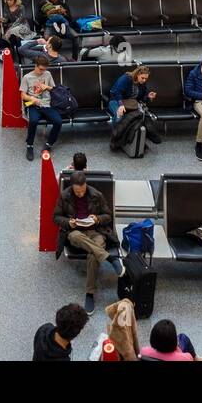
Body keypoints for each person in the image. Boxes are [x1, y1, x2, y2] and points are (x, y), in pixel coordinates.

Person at [53, 170, 124, 314]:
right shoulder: (65, 196)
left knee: (93, 254)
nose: (80, 194)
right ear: (72, 187)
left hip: (96, 231)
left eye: (82, 190)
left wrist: (97, 219)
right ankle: (110, 259)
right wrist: (69, 222)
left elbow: (108, 216)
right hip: (76, 232)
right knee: (75, 237)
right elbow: (56, 217)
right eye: (77, 192)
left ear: (86, 185)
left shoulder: (96, 195)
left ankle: (89, 294)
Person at [21, 56, 62, 161]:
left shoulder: (47, 74)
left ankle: (49, 144)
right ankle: (29, 145)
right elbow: (23, 96)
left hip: (47, 104)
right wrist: (32, 99)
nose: (42, 72)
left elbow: (54, 89)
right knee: (33, 121)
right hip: (33, 104)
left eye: (44, 69)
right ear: (35, 66)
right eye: (40, 69)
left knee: (58, 121)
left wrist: (47, 87)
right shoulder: (27, 77)